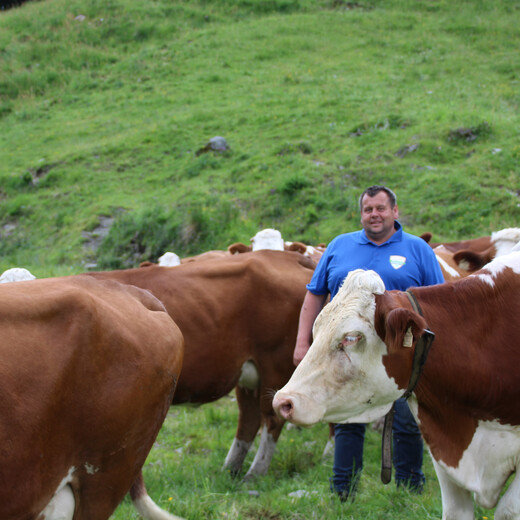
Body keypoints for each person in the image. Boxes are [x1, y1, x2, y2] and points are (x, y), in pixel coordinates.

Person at [293, 185, 444, 500]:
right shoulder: (339, 246)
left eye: (381, 208)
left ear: (395, 212)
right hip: (348, 352)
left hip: (400, 352)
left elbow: (439, 301)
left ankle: (409, 489)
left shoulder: (417, 250)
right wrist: (302, 343)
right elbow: (315, 293)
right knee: (348, 419)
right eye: (368, 209)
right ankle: (343, 492)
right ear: (360, 214)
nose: (374, 214)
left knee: (406, 421)